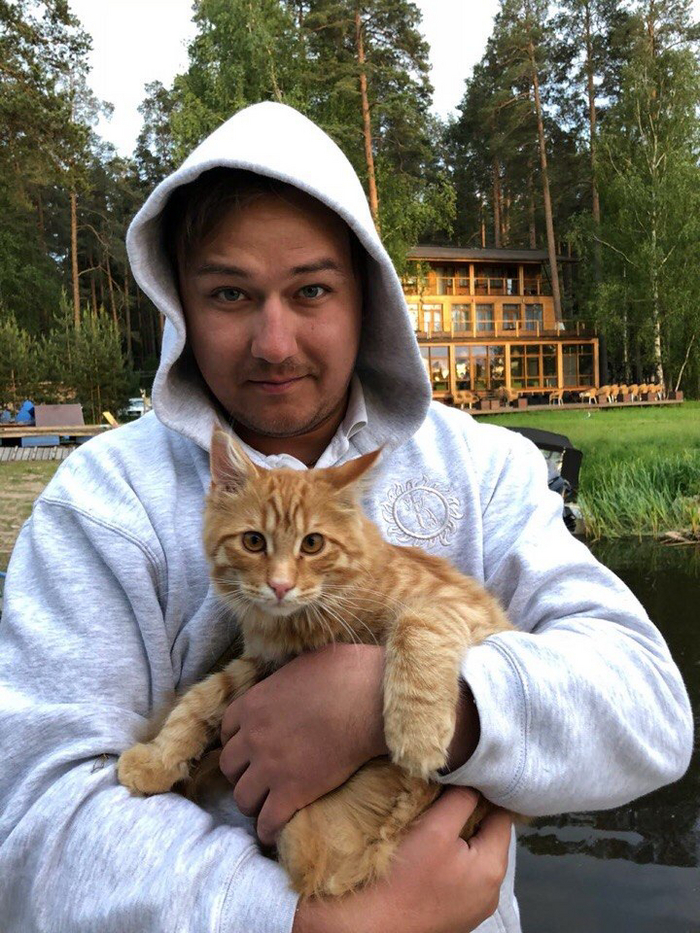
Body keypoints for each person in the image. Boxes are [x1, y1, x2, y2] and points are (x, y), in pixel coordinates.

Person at [0, 102, 692, 933]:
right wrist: (314, 923)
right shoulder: (103, 504)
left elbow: (652, 710)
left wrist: (411, 699)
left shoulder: (483, 468)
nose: (274, 342)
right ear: (178, 301)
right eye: (230, 293)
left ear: (369, 296)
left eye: (312, 290)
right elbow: (33, 823)